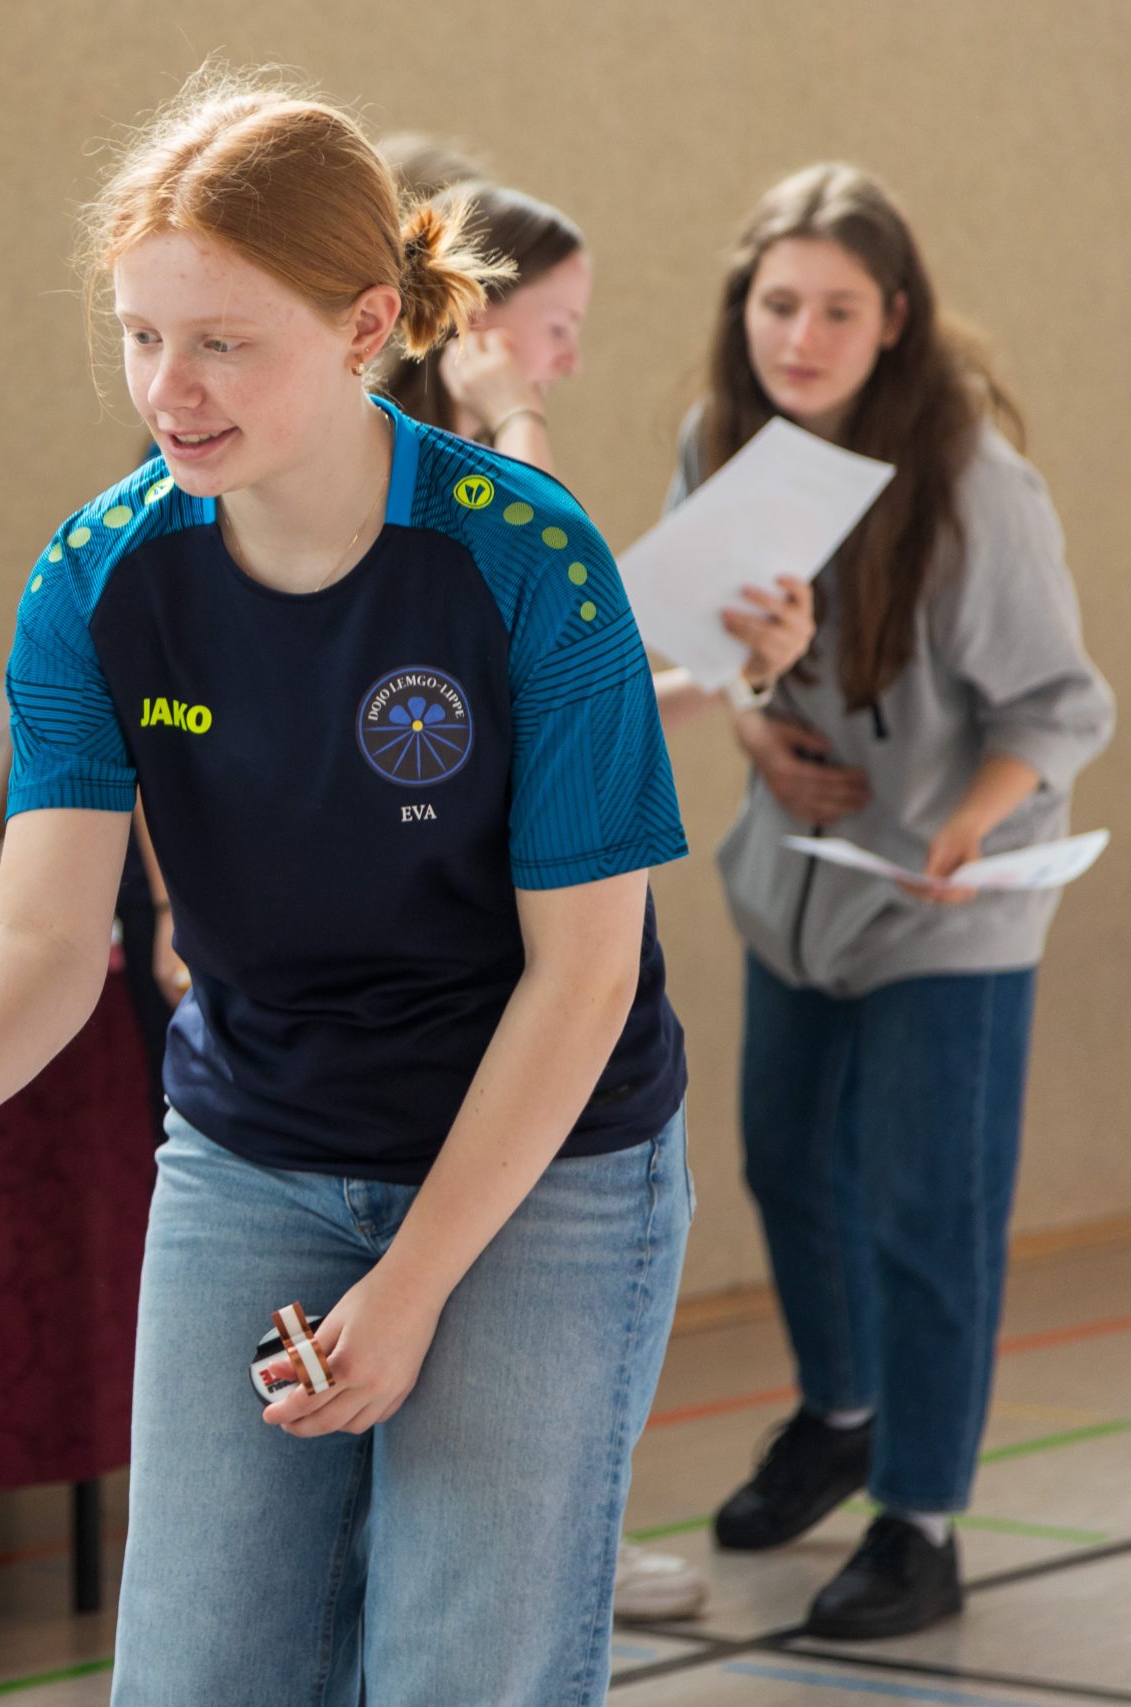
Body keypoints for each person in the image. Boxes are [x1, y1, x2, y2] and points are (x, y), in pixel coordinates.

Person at [0, 68, 695, 1704]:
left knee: (460, 1670)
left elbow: (584, 978)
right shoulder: (97, 578)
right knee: (195, 1675)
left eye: (222, 341)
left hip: (539, 1167)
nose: (167, 388)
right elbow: (40, 931)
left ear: (367, 322)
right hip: (258, 1150)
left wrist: (408, 1289)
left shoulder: (528, 563)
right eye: (139, 334)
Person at [372, 158, 819, 1624]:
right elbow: (529, 616)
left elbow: (566, 698)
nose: (567, 357)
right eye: (552, 327)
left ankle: (548, 1525)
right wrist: (517, 414)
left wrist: (732, 674)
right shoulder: (418, 471)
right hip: (428, 957)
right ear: (471, 320)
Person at [683, 165, 1114, 1640]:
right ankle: (843, 1409)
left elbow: (1062, 707)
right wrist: (752, 726)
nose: (799, 334)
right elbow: (703, 656)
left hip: (956, 895)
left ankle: (920, 1517)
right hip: (802, 885)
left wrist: (967, 822)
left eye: (836, 309)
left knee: (933, 1206)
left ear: (897, 321)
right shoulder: (722, 442)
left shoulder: (975, 480)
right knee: (788, 1162)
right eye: (776, 302)